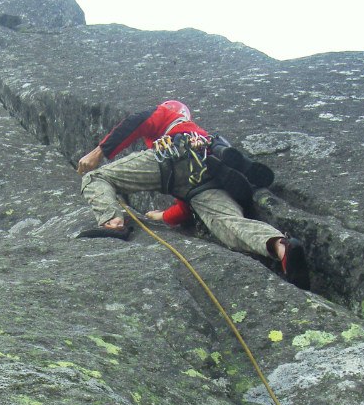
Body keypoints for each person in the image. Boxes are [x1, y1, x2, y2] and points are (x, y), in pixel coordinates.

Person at [77, 100, 310, 289]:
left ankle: (113, 222)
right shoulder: (203, 136)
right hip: (206, 174)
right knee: (230, 225)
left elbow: (137, 121)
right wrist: (163, 217)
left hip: (172, 155)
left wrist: (100, 151)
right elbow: (186, 208)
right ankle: (282, 247)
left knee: (95, 177)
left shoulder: (167, 113)